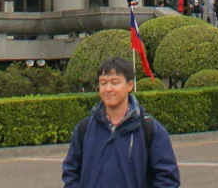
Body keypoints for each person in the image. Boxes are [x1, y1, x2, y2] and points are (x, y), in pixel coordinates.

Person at [61, 56, 179, 187]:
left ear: (130, 85)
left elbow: (167, 178)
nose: (108, 89)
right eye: (103, 83)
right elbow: (70, 172)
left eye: (115, 82)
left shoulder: (149, 129)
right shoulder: (85, 128)